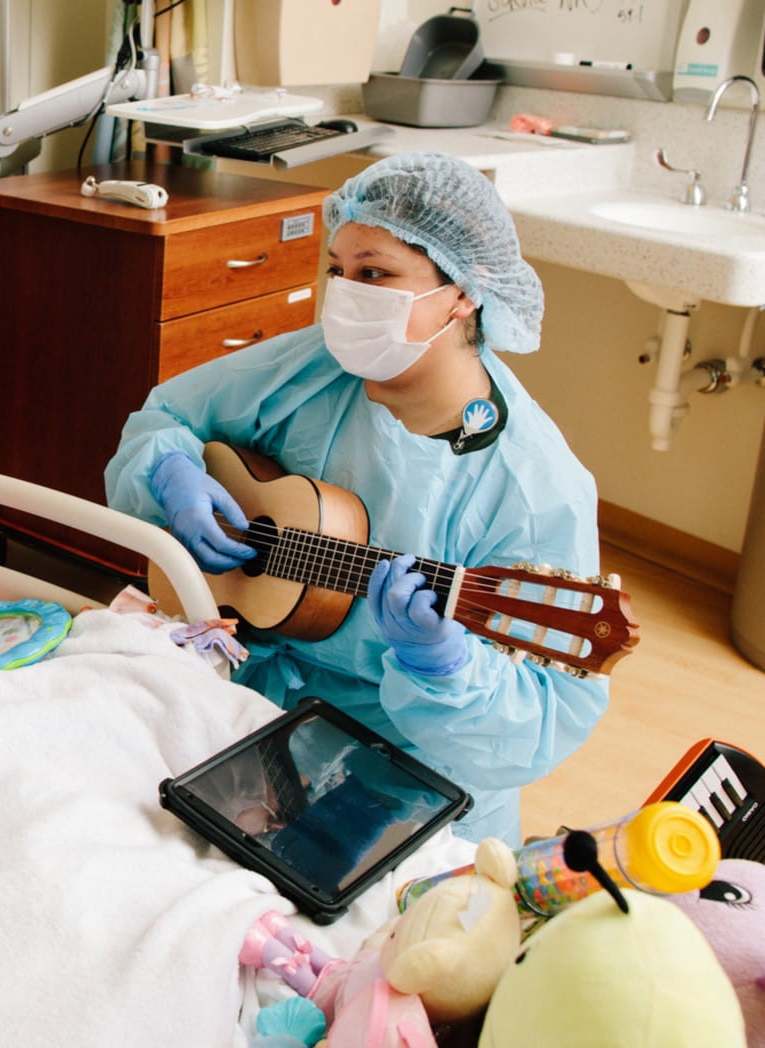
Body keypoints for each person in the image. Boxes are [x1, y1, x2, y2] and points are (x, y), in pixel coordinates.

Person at [105, 152, 608, 845]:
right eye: (337, 270)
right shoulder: (315, 368)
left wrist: (445, 667)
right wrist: (170, 473)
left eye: (374, 273)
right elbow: (167, 418)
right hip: (243, 682)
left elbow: (550, 710)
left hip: (406, 762)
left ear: (463, 290)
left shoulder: (533, 489)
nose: (343, 293)